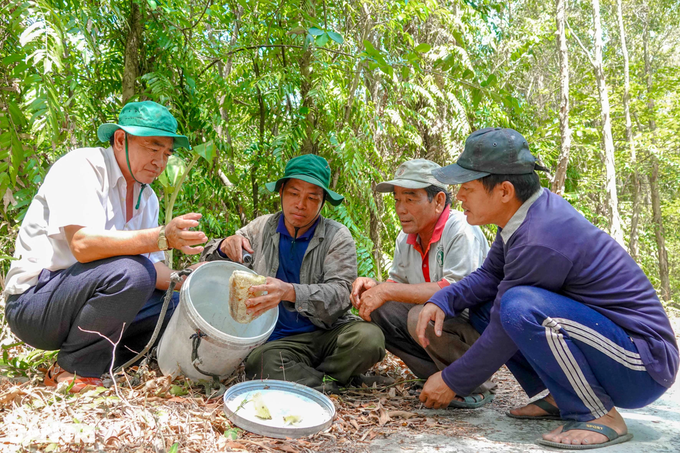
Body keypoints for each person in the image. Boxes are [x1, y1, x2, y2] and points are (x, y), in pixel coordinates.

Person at [415, 127, 678, 449]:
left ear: (505, 191)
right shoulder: (522, 219)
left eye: (467, 188)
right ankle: (561, 396)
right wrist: (442, 300)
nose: (460, 197)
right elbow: (489, 276)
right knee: (488, 305)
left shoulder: (541, 236)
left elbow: (506, 323)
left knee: (518, 306)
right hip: (613, 349)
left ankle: (600, 416)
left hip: (643, 365)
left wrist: (452, 381)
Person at [3, 101, 208, 393]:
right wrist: (162, 236)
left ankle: (111, 362)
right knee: (133, 272)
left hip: (85, 300)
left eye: (166, 153)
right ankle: (71, 369)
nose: (160, 162)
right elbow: (83, 246)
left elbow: (156, 269)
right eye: (153, 148)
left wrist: (189, 280)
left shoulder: (147, 197)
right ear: (121, 139)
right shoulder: (82, 167)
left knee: (174, 305)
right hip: (36, 303)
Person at [201, 154, 386, 392]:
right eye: (294, 193)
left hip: (328, 332)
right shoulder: (261, 228)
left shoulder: (337, 236)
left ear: (322, 203)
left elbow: (341, 294)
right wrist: (223, 246)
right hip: (280, 342)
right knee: (260, 363)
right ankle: (333, 381)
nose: (301, 204)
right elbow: (208, 260)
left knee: (369, 339)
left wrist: (289, 292)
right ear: (281, 193)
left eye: (312, 197)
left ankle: (312, 380)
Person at [350, 159, 495, 408]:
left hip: (475, 331)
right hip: (439, 326)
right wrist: (375, 287)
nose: (400, 209)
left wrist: (388, 289)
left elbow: (457, 290)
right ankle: (434, 375)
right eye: (397, 199)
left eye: (410, 199)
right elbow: (398, 287)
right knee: (376, 307)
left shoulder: (461, 230)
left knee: (422, 314)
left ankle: (473, 382)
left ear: (438, 201)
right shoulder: (406, 236)